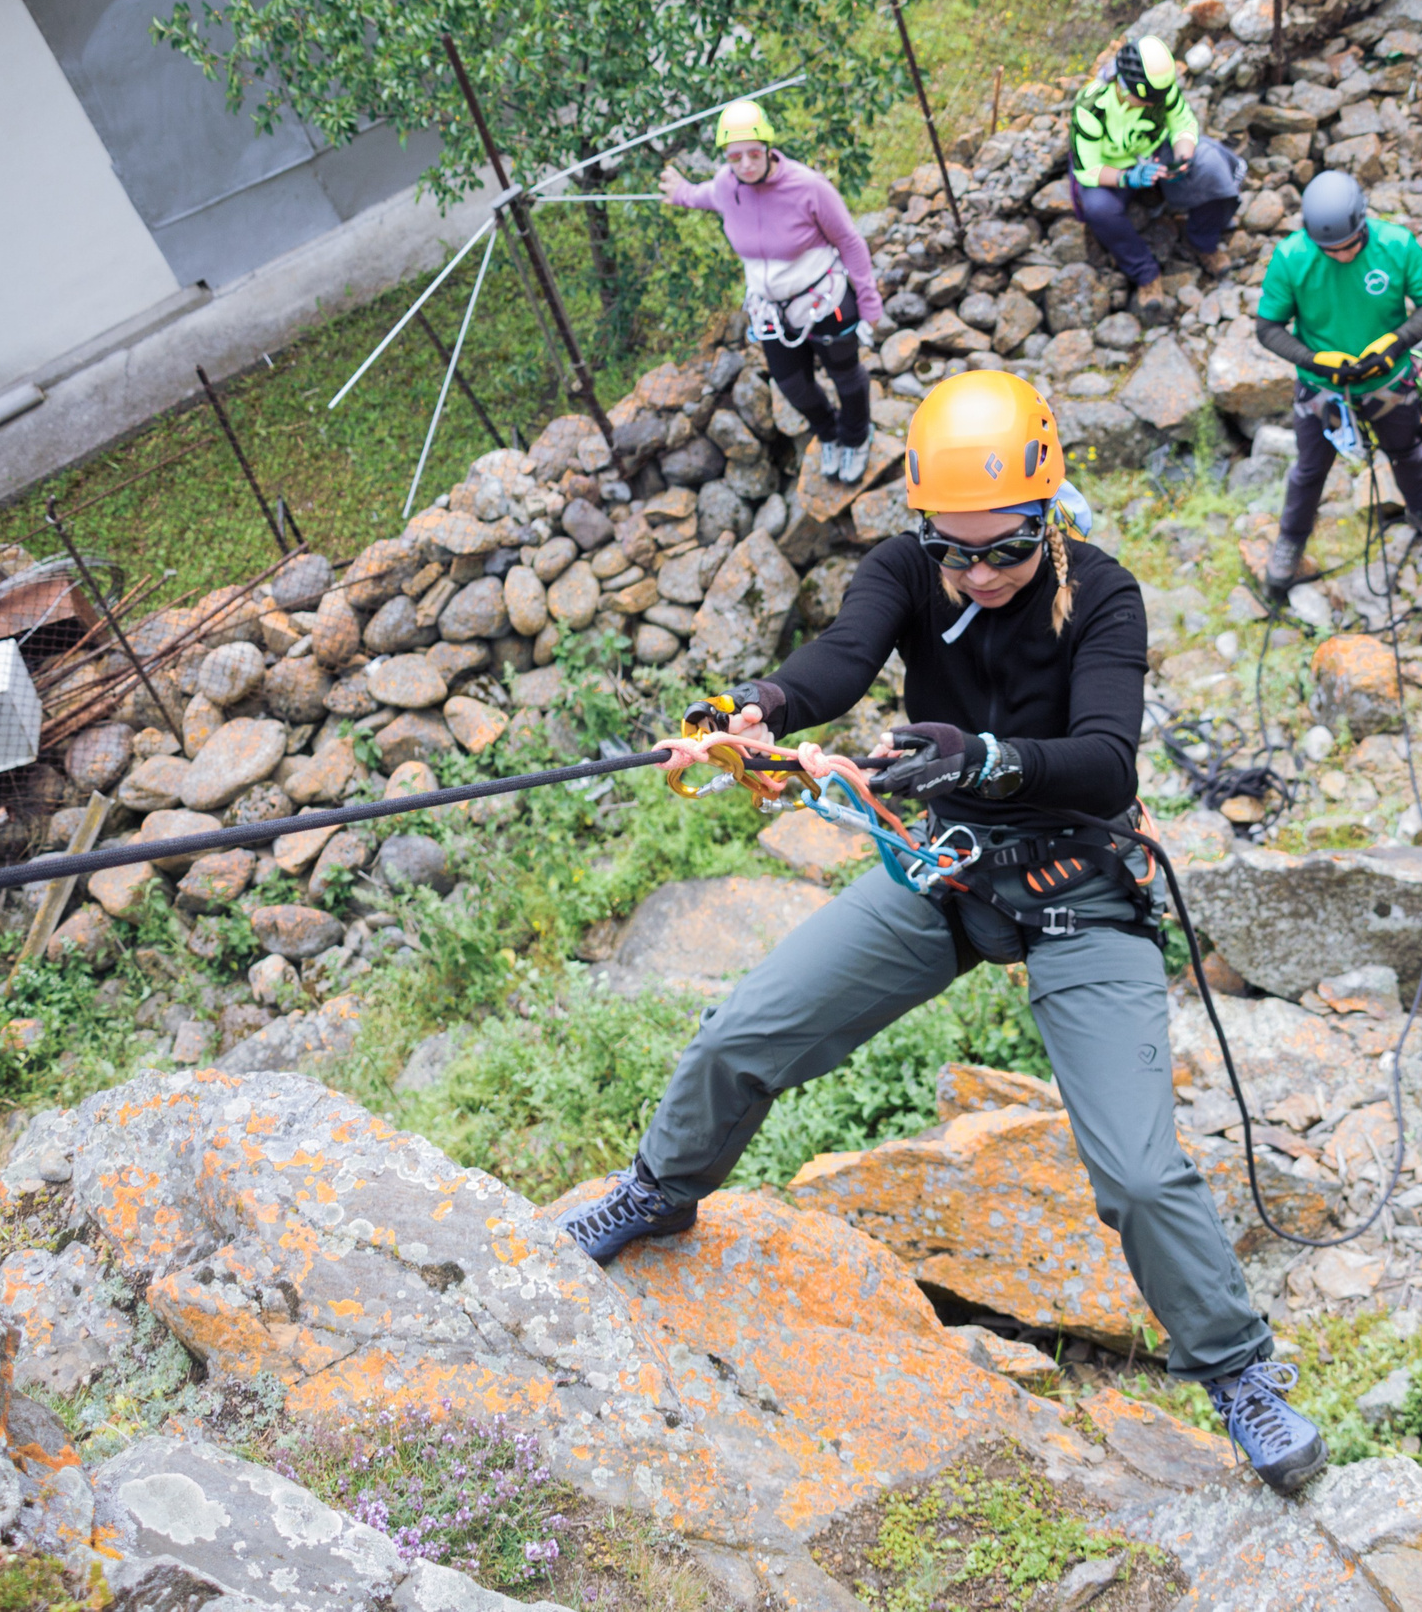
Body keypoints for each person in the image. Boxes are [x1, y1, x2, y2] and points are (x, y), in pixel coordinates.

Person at [556, 370, 1328, 1497]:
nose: (975, 573)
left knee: (1138, 1175)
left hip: (1079, 890)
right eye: (951, 550)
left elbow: (1106, 760)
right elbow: (840, 660)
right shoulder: (906, 570)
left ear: (1048, 514)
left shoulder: (1103, 595)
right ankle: (661, 1191)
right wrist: (758, 709)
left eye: (1003, 549)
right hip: (950, 874)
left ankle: (1240, 1373)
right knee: (740, 1034)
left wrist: (987, 759)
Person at [1251, 172, 1422, 599]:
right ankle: (1291, 540)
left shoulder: (1396, 244)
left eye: (1350, 245)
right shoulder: (1291, 257)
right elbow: (1268, 327)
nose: (1342, 255)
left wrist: (1396, 342)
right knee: (1309, 471)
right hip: (1322, 388)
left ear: (1363, 223)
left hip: (1389, 381)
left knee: (1408, 454)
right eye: (1331, 250)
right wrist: (1313, 360)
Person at [663, 100, 885, 482]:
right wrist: (680, 191)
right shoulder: (726, 186)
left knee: (846, 376)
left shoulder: (809, 187)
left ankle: (856, 437)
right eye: (735, 157)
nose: (746, 164)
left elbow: (850, 241)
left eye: (754, 153)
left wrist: (869, 305)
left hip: (823, 301)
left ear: (768, 147)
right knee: (792, 385)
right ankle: (828, 431)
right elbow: (704, 195)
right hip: (770, 311)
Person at [1069, 36, 1247, 316]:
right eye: (1143, 100)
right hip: (1112, 167)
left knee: (1212, 165)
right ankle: (1145, 273)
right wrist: (1128, 177)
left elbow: (1183, 123)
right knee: (1099, 208)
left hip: (1154, 151)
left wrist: (1183, 156)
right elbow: (1087, 168)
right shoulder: (1092, 105)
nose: (1148, 105)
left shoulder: (1160, 90)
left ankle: (1203, 240)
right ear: (1124, 84)